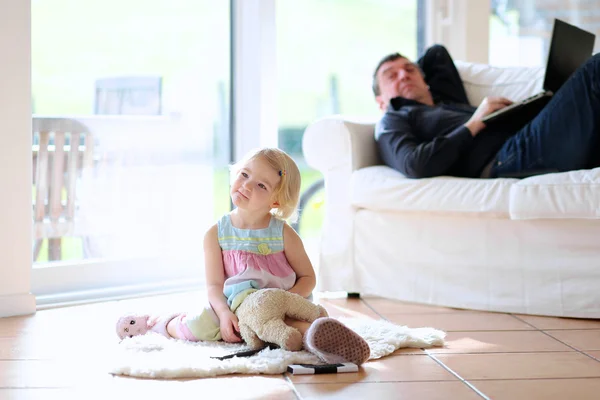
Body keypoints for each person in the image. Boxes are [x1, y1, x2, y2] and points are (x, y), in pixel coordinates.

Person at [116, 148, 370, 366]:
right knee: (200, 327)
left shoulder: (283, 233)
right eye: (244, 175)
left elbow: (308, 277)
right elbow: (214, 287)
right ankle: (161, 324)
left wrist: (284, 300)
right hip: (235, 306)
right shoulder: (216, 234)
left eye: (261, 185)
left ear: (276, 201)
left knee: (291, 326)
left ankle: (324, 339)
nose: (246, 185)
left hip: (282, 302)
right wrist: (225, 315)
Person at [373, 44, 600, 179]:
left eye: (410, 69)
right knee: (594, 70)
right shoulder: (393, 119)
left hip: (525, 139)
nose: (403, 75)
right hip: (506, 157)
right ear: (380, 101)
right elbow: (415, 164)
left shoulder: (445, 102)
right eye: (391, 76)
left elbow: (436, 54)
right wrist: (473, 124)